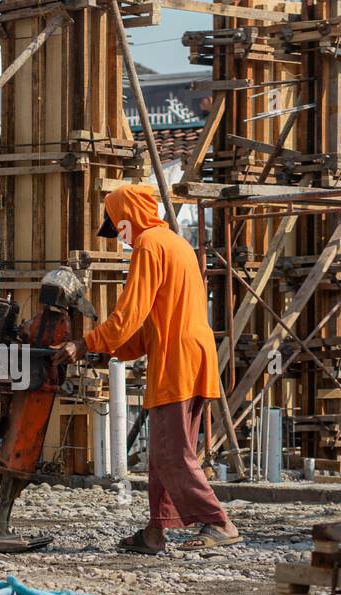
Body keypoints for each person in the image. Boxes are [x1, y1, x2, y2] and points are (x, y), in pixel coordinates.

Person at [54, 184, 240, 553]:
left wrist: (86, 343)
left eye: (117, 227)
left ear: (129, 217)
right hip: (186, 354)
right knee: (162, 452)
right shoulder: (174, 243)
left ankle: (218, 521)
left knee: (172, 452)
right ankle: (156, 532)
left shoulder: (149, 245)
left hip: (178, 359)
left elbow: (129, 314)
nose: (119, 237)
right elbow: (148, 325)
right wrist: (110, 352)